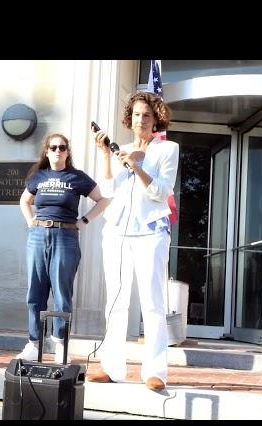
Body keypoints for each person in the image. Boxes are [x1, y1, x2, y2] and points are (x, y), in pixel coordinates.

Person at [88, 91, 179, 391]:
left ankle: (155, 371)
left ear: (156, 121)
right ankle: (112, 367)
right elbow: (107, 189)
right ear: (130, 118)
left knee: (153, 303)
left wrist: (137, 165)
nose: (141, 119)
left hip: (151, 232)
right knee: (115, 302)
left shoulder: (168, 150)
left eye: (147, 115)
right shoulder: (120, 149)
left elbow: (161, 192)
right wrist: (106, 155)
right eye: (137, 114)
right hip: (116, 232)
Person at [16, 133, 110, 364]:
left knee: (62, 292)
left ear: (68, 152)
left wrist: (83, 221)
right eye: (53, 147)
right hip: (38, 235)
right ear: (46, 152)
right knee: (35, 292)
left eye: (62, 147)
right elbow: (24, 201)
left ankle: (60, 344)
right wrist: (31, 223)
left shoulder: (77, 177)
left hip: (66, 236)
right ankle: (34, 343)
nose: (58, 151)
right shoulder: (38, 176)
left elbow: (104, 199)